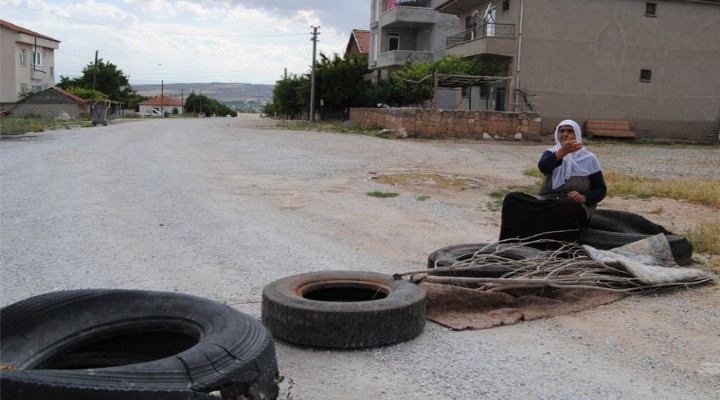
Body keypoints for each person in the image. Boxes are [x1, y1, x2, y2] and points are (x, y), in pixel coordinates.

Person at [499, 119, 607, 245]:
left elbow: (600, 189)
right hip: (548, 200)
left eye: (570, 131)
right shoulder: (551, 153)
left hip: (576, 205)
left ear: (577, 134)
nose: (565, 134)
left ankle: (562, 251)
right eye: (562, 131)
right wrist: (562, 153)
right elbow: (543, 167)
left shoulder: (589, 159)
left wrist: (583, 197)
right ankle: (509, 246)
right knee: (512, 199)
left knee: (567, 207)